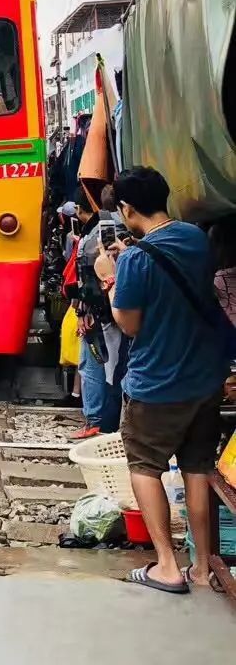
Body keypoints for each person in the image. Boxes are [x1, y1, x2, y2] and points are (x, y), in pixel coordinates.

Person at [98, 166, 229, 594]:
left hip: (156, 385)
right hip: (205, 378)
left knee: (145, 467)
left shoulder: (135, 259)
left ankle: (167, 567)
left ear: (126, 208)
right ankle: (201, 567)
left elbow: (130, 324)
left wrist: (110, 279)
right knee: (197, 468)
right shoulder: (195, 238)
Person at [63, 188, 126, 439]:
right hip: (120, 310)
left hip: (100, 315)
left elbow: (87, 278)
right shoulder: (127, 231)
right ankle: (111, 422)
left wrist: (82, 311)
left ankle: (96, 422)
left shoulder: (96, 235)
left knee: (92, 366)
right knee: (115, 367)